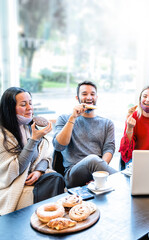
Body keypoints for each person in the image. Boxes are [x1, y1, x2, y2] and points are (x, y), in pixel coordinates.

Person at [0, 87, 65, 215]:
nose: (29, 108)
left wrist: (39, 171)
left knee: (55, 178)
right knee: (55, 179)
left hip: (33, 178)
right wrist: (34, 140)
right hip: (13, 185)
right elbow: (14, 169)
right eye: (23, 105)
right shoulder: (3, 136)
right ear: (9, 109)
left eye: (30, 103)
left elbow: (45, 156)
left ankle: (50, 217)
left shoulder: (30, 126)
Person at [53, 81, 117, 188]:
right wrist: (73, 118)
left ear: (96, 97)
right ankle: (125, 182)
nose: (89, 97)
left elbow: (109, 149)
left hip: (98, 171)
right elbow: (59, 146)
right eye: (84, 94)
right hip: (72, 174)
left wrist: (98, 175)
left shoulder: (107, 123)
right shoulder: (64, 119)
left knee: (94, 160)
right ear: (77, 98)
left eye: (92, 94)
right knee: (92, 159)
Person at [119, 85, 149, 170]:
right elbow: (126, 150)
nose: (148, 100)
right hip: (133, 160)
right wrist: (129, 128)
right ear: (140, 99)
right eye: (144, 96)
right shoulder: (133, 116)